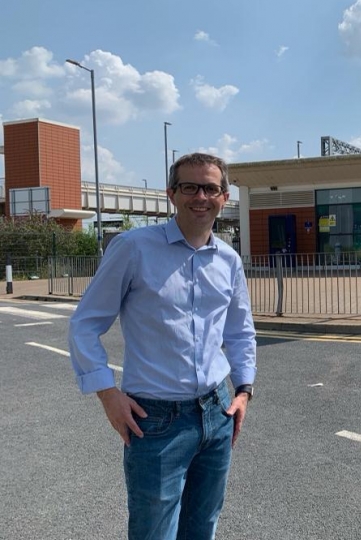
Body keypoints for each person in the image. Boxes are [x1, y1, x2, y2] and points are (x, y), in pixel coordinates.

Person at [68, 153, 257, 540]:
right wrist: (107, 394)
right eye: (190, 187)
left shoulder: (229, 260)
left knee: (203, 526)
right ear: (171, 193)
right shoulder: (133, 248)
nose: (200, 196)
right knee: (154, 532)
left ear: (224, 197)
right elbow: (85, 324)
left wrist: (244, 391)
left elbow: (239, 332)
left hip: (217, 411)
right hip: (154, 420)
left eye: (210, 188)